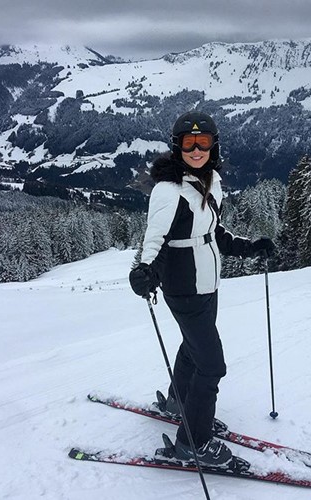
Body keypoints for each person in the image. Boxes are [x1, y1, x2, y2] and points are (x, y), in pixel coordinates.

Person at [129, 111, 274, 466]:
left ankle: (180, 402)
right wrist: (146, 271)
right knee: (212, 366)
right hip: (184, 287)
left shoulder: (209, 181)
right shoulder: (168, 191)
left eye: (203, 142)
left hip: (208, 284)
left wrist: (250, 247)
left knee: (194, 347)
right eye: (189, 143)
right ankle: (194, 443)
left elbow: (214, 233)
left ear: (214, 145)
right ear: (177, 146)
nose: (196, 149)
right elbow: (156, 242)